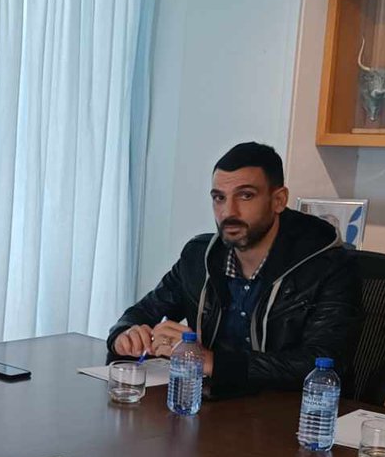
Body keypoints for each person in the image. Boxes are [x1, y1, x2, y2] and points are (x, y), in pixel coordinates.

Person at [108, 142, 361, 396]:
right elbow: (143, 312)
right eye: (219, 198)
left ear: (278, 200)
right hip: (215, 404)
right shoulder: (199, 257)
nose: (228, 212)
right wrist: (125, 336)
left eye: (245, 196)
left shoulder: (330, 266)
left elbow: (325, 361)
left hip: (294, 411)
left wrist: (213, 362)